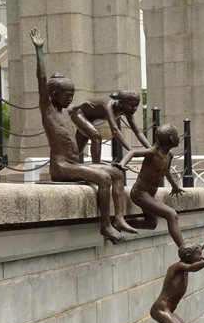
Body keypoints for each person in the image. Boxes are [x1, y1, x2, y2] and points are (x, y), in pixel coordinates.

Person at [30, 28, 136, 244]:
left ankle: (119, 219)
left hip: (73, 163)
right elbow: (41, 79)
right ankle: (105, 225)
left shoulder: (66, 114)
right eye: (66, 95)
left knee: (116, 172)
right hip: (61, 167)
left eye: (72, 96)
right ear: (53, 95)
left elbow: (78, 136)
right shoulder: (48, 110)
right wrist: (39, 50)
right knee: (104, 178)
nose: (70, 99)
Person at [119, 123, 185, 247]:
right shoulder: (153, 152)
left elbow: (166, 172)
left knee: (151, 224)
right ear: (171, 139)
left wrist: (174, 186)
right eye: (177, 135)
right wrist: (122, 164)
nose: (179, 138)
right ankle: (184, 248)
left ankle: (118, 224)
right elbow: (132, 153)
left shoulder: (169, 155)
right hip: (140, 193)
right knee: (171, 214)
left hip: (150, 194)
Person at [69, 91, 151, 164]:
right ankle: (96, 165)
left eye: (136, 106)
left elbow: (138, 132)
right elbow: (115, 130)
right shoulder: (108, 106)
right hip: (78, 113)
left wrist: (151, 149)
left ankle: (66, 162)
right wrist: (130, 150)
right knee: (96, 136)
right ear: (121, 102)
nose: (134, 109)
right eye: (131, 106)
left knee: (76, 151)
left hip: (89, 119)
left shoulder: (128, 112)